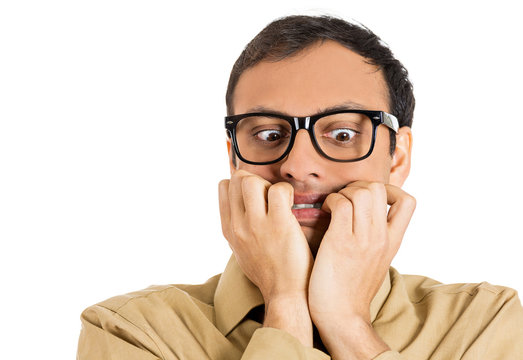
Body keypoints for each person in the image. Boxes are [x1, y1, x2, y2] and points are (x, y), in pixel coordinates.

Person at [77, 15, 523, 359]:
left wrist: (346, 322)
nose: (298, 165)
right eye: (269, 135)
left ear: (398, 157)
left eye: (343, 133)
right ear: (234, 158)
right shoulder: (131, 332)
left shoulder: (485, 321)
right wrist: (286, 303)